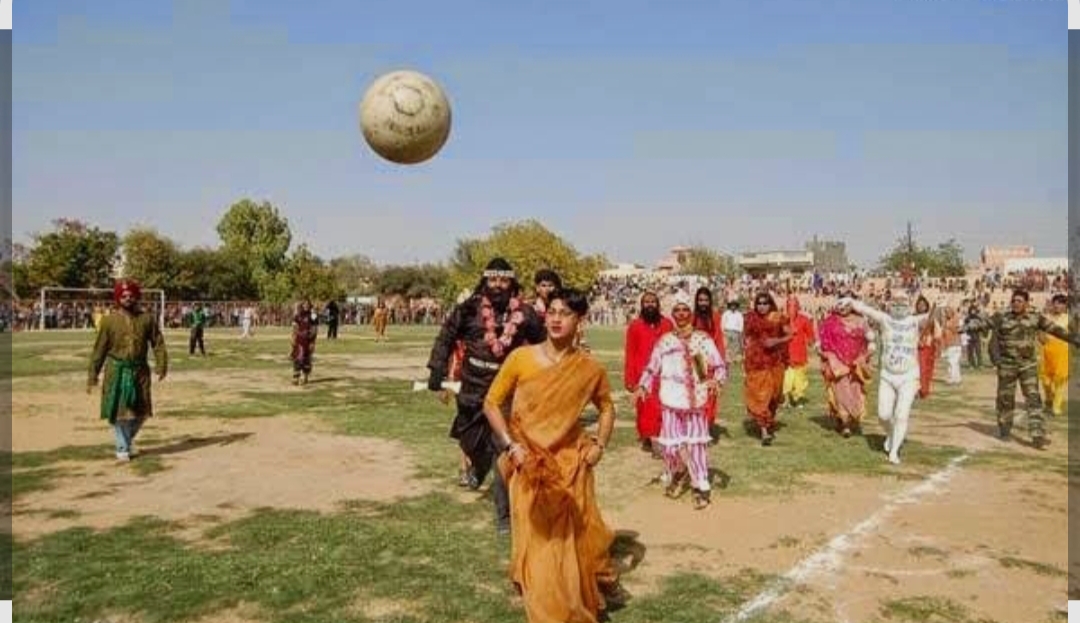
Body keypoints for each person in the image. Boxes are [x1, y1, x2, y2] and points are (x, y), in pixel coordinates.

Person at [483, 287, 621, 623]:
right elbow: (491, 403)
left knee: (565, 543)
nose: (556, 318)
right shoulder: (521, 358)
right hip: (527, 463)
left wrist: (599, 445)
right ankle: (550, 602)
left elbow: (606, 407)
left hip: (570, 465)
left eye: (566, 313)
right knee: (537, 539)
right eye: (553, 311)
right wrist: (511, 446)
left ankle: (565, 601)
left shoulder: (588, 368)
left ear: (580, 321)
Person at [426, 257, 546, 533]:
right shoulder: (469, 308)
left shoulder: (525, 314)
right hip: (471, 388)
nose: (498, 285)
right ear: (485, 280)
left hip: (504, 392)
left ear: (511, 282)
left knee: (501, 449)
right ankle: (477, 466)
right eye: (493, 279)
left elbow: (543, 345)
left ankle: (503, 517)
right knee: (470, 442)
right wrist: (437, 368)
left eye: (504, 280)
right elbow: (446, 336)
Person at [635, 290, 726, 508]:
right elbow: (652, 366)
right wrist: (642, 386)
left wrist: (716, 381)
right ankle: (677, 472)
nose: (682, 314)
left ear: (691, 312)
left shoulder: (701, 340)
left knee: (696, 445)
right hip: (670, 399)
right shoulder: (665, 341)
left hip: (695, 402)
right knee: (671, 446)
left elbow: (718, 366)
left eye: (686, 309)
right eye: (677, 310)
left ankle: (700, 486)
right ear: (673, 313)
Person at [838, 292, 939, 464]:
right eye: (896, 302)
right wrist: (851, 301)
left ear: (908, 304)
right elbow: (866, 310)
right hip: (888, 375)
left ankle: (894, 451)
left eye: (903, 302)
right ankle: (892, 435)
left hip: (908, 376)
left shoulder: (914, 321)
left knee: (901, 414)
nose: (899, 305)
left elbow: (931, 316)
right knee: (883, 415)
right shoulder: (885, 319)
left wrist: (939, 305)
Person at [87, 279, 168, 462]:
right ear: (118, 298)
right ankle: (122, 447)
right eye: (123, 296)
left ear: (136, 296)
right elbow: (99, 349)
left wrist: (162, 364)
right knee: (119, 411)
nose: (127, 298)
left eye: (131, 295)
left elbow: (158, 343)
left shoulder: (147, 319)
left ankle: (126, 440)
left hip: (140, 371)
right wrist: (93, 374)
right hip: (117, 371)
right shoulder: (108, 321)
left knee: (142, 411)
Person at [988, 289, 1080, 447]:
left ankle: (1037, 435)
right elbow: (993, 339)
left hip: (1028, 365)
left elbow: (1056, 330)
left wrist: (1074, 339)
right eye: (1014, 300)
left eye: (1019, 301)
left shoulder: (1035, 318)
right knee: (1005, 398)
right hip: (1007, 365)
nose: (1016, 303)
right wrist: (996, 360)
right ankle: (1004, 428)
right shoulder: (1002, 318)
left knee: (1033, 399)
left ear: (1026, 303)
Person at [623, 291, 674, 456]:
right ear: (642, 305)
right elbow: (630, 353)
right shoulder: (635, 326)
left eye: (653, 302)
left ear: (658, 304)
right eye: (646, 302)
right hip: (642, 375)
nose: (650, 305)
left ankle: (657, 436)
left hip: (663, 373)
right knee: (645, 408)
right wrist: (630, 378)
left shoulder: (667, 324)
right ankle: (652, 438)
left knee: (661, 407)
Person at [817, 295, 872, 437]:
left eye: (846, 306)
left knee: (854, 391)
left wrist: (868, 352)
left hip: (856, 363)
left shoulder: (861, 321)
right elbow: (822, 341)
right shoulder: (830, 322)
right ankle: (845, 424)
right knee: (841, 391)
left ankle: (846, 418)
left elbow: (870, 339)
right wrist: (826, 354)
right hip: (837, 363)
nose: (843, 309)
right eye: (840, 306)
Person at [742, 291, 792, 445]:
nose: (762, 306)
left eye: (765, 303)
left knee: (774, 396)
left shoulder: (778, 317)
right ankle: (764, 431)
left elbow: (790, 335)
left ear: (770, 304)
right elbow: (746, 336)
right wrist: (748, 347)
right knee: (760, 395)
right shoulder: (750, 318)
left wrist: (775, 341)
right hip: (756, 361)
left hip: (775, 361)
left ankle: (767, 422)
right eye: (759, 303)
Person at [1038, 294, 1072, 418]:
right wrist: (1041, 337)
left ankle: (1056, 407)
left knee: (1060, 381)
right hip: (1047, 351)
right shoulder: (1046, 318)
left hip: (1062, 352)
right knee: (1045, 381)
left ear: (1064, 306)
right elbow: (1040, 332)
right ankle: (1049, 399)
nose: (1057, 305)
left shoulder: (1069, 319)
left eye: (1060, 303)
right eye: (1055, 303)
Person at [782, 296, 817, 409]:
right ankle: (786, 400)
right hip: (786, 355)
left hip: (800, 355)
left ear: (798, 307)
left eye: (794, 306)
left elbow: (811, 336)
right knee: (787, 379)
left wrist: (813, 343)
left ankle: (796, 400)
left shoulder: (804, 320)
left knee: (799, 380)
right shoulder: (782, 320)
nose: (791, 309)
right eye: (789, 306)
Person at [915, 295, 940, 398]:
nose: (921, 307)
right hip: (916, 347)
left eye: (923, 305)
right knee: (918, 369)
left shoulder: (931, 318)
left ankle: (925, 390)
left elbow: (937, 332)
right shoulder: (913, 318)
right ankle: (918, 389)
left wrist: (936, 343)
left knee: (927, 369)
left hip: (929, 346)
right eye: (919, 305)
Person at [290, 299, 318, 385]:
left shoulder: (312, 316)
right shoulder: (298, 315)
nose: (306, 306)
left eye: (308, 304)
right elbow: (294, 327)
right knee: (297, 358)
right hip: (299, 340)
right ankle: (296, 377)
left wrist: (313, 341)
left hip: (308, 340)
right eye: (304, 304)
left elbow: (315, 329)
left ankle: (305, 377)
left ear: (310, 306)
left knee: (306, 359)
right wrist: (292, 338)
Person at [721, 300, 744, 365]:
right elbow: (723, 322)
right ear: (730, 306)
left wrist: (740, 331)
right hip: (727, 331)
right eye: (731, 305)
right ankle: (728, 359)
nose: (733, 306)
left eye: (734, 305)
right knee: (727, 346)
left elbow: (741, 323)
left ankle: (734, 359)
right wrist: (723, 331)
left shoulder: (739, 314)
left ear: (736, 306)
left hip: (736, 331)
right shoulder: (726, 313)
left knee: (735, 346)